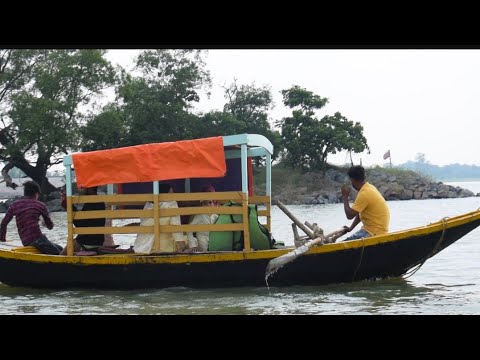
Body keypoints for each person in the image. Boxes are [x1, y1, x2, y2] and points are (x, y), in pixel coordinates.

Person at [0, 180, 63, 255]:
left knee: (61, 248)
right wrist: (44, 223)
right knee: (60, 253)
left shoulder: (14, 205)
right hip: (38, 240)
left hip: (25, 241)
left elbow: (4, 223)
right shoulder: (40, 205)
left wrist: (2, 239)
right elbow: (50, 226)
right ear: (36, 194)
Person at [341, 165, 390, 241]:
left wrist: (345, 197)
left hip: (373, 232)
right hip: (377, 231)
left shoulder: (364, 193)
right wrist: (350, 228)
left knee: (343, 244)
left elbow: (349, 215)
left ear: (352, 180)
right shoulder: (369, 187)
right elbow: (359, 213)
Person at [133, 184, 185, 253]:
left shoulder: (148, 205)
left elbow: (143, 221)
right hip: (164, 247)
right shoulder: (172, 204)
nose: (173, 195)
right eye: (171, 193)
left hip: (143, 246)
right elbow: (175, 227)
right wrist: (183, 247)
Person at [59, 186, 106, 255]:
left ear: (89, 188)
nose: (80, 189)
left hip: (86, 241)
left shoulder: (90, 202)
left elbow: (79, 225)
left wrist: (68, 206)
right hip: (98, 240)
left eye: (82, 187)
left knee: (61, 256)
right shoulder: (99, 201)